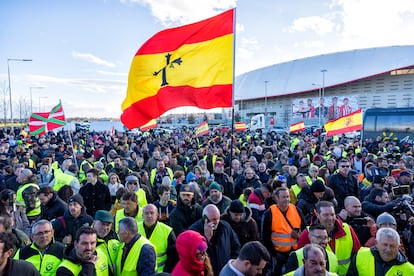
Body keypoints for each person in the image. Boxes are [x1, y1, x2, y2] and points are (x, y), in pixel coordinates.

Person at [297, 201, 361, 275]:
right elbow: (299, 258)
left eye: (332, 214)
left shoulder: (347, 229)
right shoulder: (307, 233)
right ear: (317, 215)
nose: (330, 218)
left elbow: (357, 255)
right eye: (326, 215)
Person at [262, 187, 306, 275]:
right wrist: (273, 253)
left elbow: (304, 229)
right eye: (283, 197)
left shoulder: (296, 210)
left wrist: (299, 236)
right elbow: (265, 236)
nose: (286, 199)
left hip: (295, 252)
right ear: (276, 198)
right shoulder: (269, 213)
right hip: (278, 254)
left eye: (287, 196)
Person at [189, 204, 241, 275]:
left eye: (218, 218)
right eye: (213, 219)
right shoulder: (193, 232)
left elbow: (236, 246)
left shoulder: (225, 227)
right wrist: (206, 238)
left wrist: (231, 265)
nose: (216, 222)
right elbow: (194, 255)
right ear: (205, 218)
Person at [347, 227, 414, 275]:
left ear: (398, 247)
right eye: (385, 245)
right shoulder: (361, 256)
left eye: (392, 246)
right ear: (376, 243)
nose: (388, 249)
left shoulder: (410, 270)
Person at [138, 204, 177, 273]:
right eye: (146, 213)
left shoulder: (167, 231)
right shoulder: (135, 229)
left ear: (157, 215)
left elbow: (173, 256)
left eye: (152, 213)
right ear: (142, 215)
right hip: (139, 271)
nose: (149, 215)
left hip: (160, 272)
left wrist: (166, 272)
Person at [92, 210, 119, 275]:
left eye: (108, 224)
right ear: (94, 222)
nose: (105, 228)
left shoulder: (114, 236)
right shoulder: (87, 241)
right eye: (102, 224)